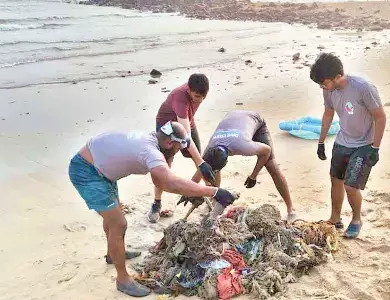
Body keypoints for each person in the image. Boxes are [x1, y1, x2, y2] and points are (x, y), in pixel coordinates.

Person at [68, 122, 236, 297]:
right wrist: (214, 191)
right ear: (170, 143)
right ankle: (123, 280)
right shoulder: (150, 151)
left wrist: (199, 164)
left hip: (102, 169)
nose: (178, 151)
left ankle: (113, 254)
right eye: (179, 148)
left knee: (112, 218)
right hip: (88, 172)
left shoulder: (154, 139)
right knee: (118, 223)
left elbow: (176, 138)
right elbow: (166, 182)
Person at [310, 53, 386, 239]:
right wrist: (321, 142)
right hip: (342, 141)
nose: (322, 87)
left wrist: (375, 148)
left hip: (364, 144)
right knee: (335, 180)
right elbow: (328, 114)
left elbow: (380, 116)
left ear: (337, 76)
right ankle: (335, 218)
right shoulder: (328, 90)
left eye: (324, 82)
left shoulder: (363, 88)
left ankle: (356, 220)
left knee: (351, 186)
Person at [197, 110, 298, 223]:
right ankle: (215, 199)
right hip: (233, 118)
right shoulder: (210, 148)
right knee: (211, 171)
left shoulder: (242, 146)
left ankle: (291, 209)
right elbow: (200, 170)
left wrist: (253, 176)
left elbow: (266, 151)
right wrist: (190, 191)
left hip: (255, 120)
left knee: (271, 166)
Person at [150, 73, 211, 223]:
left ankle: (209, 194)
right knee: (164, 165)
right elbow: (186, 137)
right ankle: (156, 203)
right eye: (196, 96)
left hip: (186, 121)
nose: (199, 100)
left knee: (200, 159)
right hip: (167, 128)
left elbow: (187, 129)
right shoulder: (180, 97)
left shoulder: (200, 93)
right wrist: (201, 162)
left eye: (202, 97)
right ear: (189, 90)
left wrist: (201, 162)